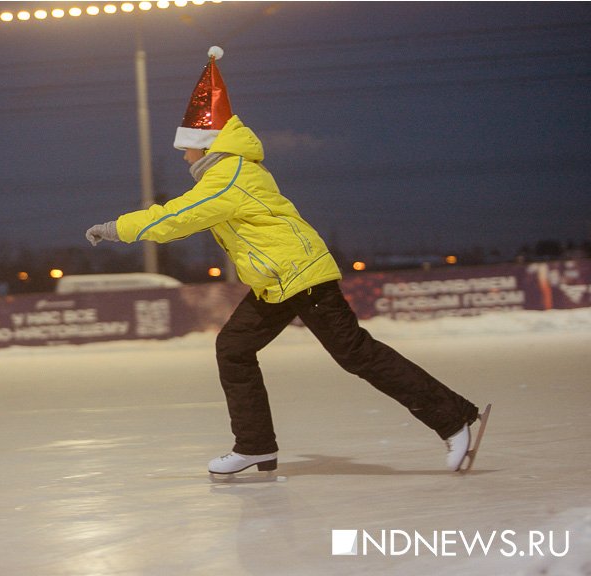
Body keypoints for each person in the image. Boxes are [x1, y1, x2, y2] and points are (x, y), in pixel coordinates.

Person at [85, 47, 481, 474]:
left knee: (356, 355)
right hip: (276, 283)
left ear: (206, 145)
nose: (184, 158)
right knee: (233, 348)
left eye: (188, 149)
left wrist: (116, 228)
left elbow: (178, 218)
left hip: (300, 277)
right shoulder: (231, 172)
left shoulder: (229, 177)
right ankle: (254, 445)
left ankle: (452, 418)